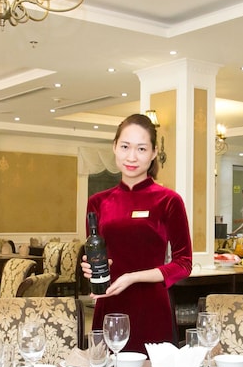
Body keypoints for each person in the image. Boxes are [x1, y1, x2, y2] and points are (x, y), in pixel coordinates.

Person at [82, 113, 193, 351]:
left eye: (141, 149)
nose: (131, 157)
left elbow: (184, 264)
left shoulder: (169, 200)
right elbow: (98, 253)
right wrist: (90, 268)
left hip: (151, 307)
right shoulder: (97, 202)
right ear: (114, 147)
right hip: (109, 304)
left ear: (153, 153)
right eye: (125, 147)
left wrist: (131, 277)